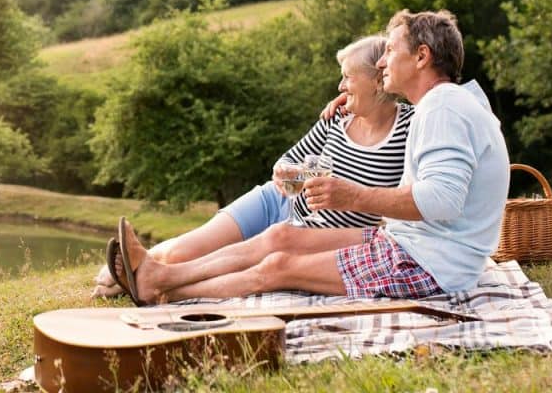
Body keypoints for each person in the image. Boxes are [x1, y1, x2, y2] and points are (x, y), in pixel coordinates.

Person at [115, 9, 509, 305]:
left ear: (421, 57)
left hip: (430, 264)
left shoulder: (442, 108)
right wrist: (356, 101)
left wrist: (349, 195)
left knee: (278, 267)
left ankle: (163, 289)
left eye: (390, 50)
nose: (384, 60)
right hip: (410, 243)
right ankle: (160, 274)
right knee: (280, 236)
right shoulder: (448, 104)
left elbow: (442, 201)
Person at [94, 34, 414, 298]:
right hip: (277, 201)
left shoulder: (408, 128)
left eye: (347, 77)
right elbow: (285, 164)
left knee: (196, 261)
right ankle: (124, 272)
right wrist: (301, 177)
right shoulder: (337, 119)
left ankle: (135, 279)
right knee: (182, 250)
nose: (340, 87)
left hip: (313, 233)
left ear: (377, 80)